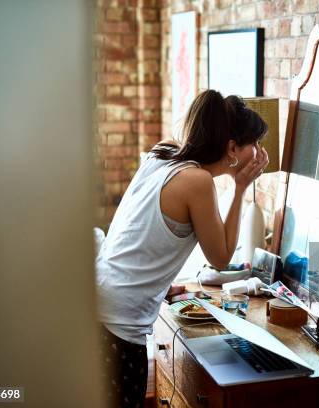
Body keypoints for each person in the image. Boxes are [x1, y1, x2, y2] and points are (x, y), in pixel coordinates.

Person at [95, 89, 269, 407]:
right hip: (119, 321)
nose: (259, 152)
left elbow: (146, 234)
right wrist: (241, 186)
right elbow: (221, 256)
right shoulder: (198, 181)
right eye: (254, 144)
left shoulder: (162, 155)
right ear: (232, 147)